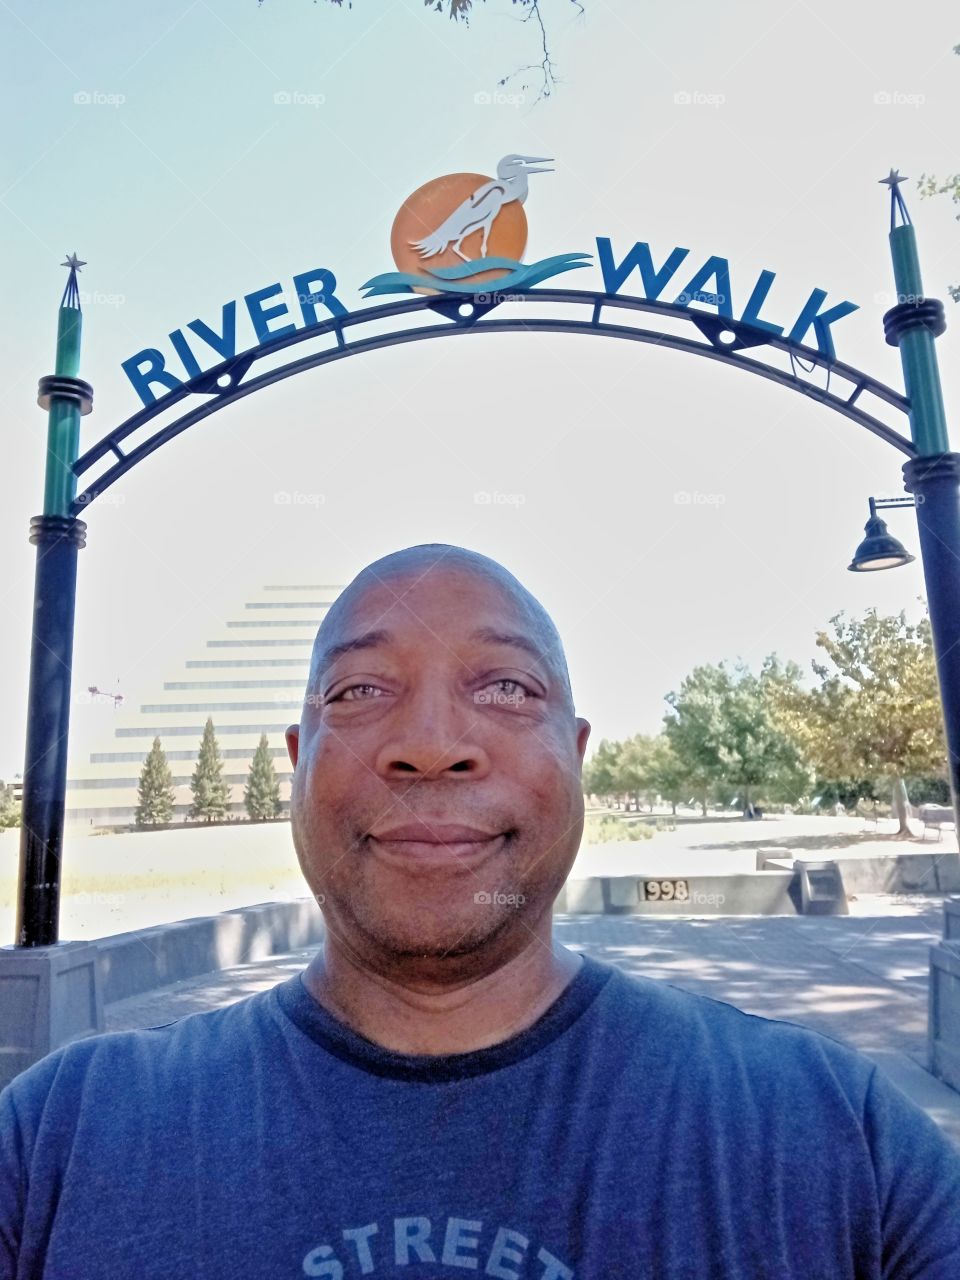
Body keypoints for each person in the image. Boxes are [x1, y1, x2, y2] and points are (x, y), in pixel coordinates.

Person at [1, 543, 959, 1279]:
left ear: (577, 757)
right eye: (362, 690)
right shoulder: (58, 1140)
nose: (430, 745)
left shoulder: (845, 1147)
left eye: (505, 688)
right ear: (298, 761)